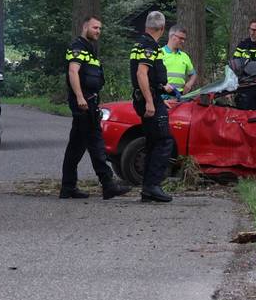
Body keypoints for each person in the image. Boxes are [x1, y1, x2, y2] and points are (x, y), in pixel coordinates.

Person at [60, 16, 131, 200]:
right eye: (95, 27)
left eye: (100, 28)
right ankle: (108, 184)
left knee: (76, 147)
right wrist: (80, 97)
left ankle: (68, 187)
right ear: (85, 27)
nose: (98, 31)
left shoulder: (90, 49)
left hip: (89, 101)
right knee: (95, 143)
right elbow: (73, 71)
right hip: (83, 103)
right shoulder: (78, 47)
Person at [130, 11, 175, 203]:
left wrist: (159, 91)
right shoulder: (150, 45)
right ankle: (152, 185)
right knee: (164, 141)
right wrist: (150, 101)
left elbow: (148, 76)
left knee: (152, 142)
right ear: (162, 29)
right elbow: (142, 74)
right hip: (148, 100)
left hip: (151, 96)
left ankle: (148, 189)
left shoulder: (139, 43)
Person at [161, 24, 197, 96]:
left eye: (184, 39)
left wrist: (189, 84)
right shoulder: (159, 53)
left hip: (180, 96)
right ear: (171, 36)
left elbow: (193, 74)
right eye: (180, 38)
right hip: (162, 96)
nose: (183, 41)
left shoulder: (184, 56)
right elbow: (151, 75)